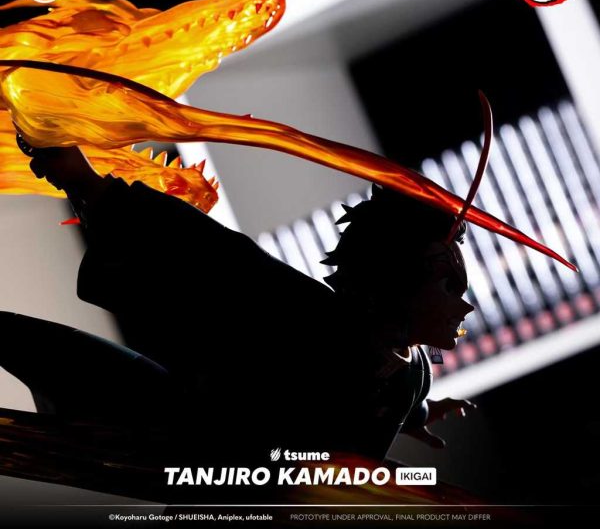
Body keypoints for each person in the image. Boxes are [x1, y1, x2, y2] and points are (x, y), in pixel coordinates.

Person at [1, 139, 476, 464]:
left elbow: (390, 408)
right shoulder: (309, 318)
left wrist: (418, 415)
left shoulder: (413, 374)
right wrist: (82, 180)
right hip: (191, 437)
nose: (465, 308)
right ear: (394, 283)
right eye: (449, 286)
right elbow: (206, 251)